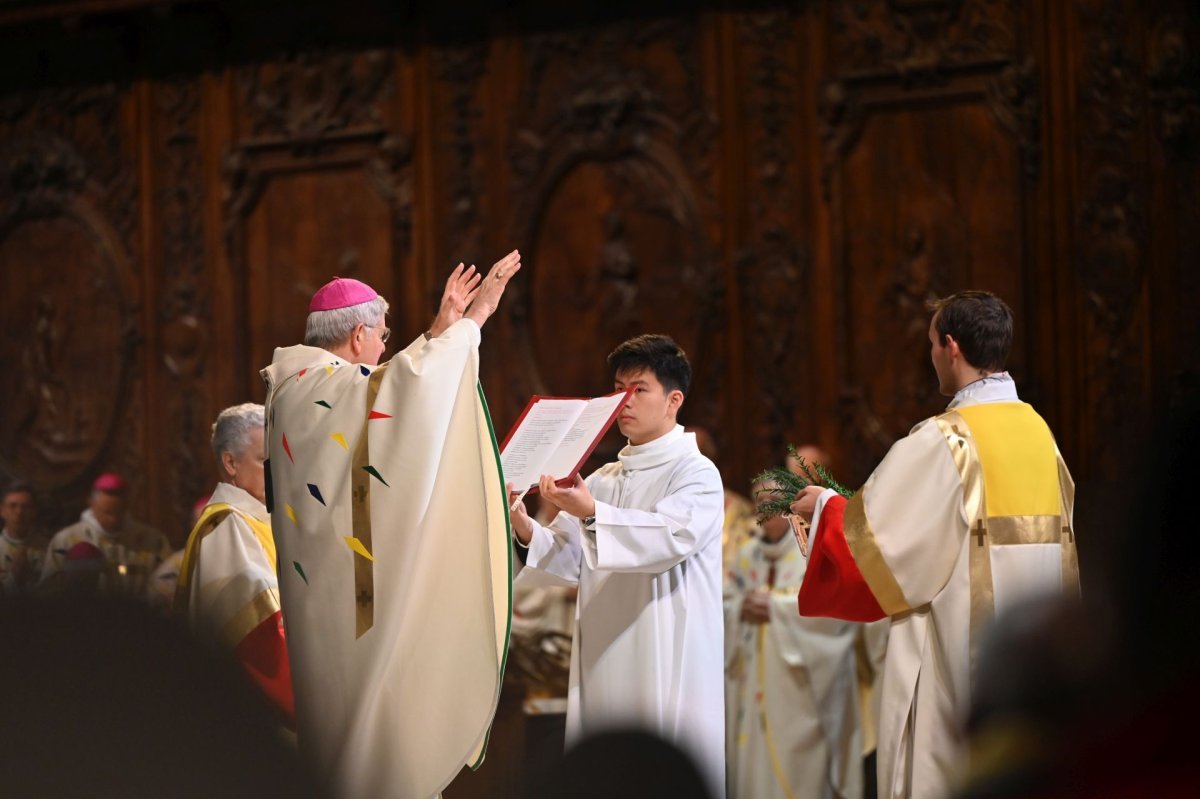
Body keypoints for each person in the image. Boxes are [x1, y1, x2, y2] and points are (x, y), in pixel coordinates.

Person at [789, 291, 1080, 799]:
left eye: (930, 344)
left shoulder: (948, 440)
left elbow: (881, 547)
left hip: (955, 662)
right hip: (1030, 671)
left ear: (950, 346)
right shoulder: (1040, 433)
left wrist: (826, 508)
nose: (930, 357)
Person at [262, 253, 520, 798]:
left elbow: (387, 386)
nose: (387, 343)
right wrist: (473, 323)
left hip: (330, 594)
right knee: (369, 753)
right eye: (383, 333)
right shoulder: (322, 387)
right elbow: (397, 392)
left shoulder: (297, 387)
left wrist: (440, 332)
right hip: (355, 601)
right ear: (358, 335)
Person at [510, 334, 726, 794]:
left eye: (638, 389)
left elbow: (669, 539)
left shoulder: (696, 473)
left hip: (663, 646)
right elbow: (571, 557)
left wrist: (590, 513)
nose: (622, 401)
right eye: (617, 388)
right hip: (603, 653)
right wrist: (523, 522)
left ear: (674, 400)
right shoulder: (604, 478)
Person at [725, 485, 862, 799]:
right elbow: (724, 604)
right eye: (760, 504)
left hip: (798, 689)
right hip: (751, 683)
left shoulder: (810, 553)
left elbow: (834, 615)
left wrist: (775, 608)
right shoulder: (745, 555)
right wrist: (738, 609)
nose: (765, 512)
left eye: (773, 503)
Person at [174, 404, 293, 725]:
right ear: (230, 462)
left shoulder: (266, 519)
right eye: (265, 460)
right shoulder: (227, 526)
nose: (276, 469)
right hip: (255, 716)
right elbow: (259, 641)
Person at [40, 472, 172, 598]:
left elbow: (166, 586)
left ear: (127, 505)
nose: (113, 519)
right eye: (107, 513)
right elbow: (49, 589)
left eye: (119, 512)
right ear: (91, 503)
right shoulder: (67, 540)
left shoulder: (152, 540)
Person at [0, 482, 47, 596]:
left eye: (26, 507)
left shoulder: (47, 547)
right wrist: (13, 577)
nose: (19, 512)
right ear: (2, 510)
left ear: (34, 511)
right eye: (12, 506)